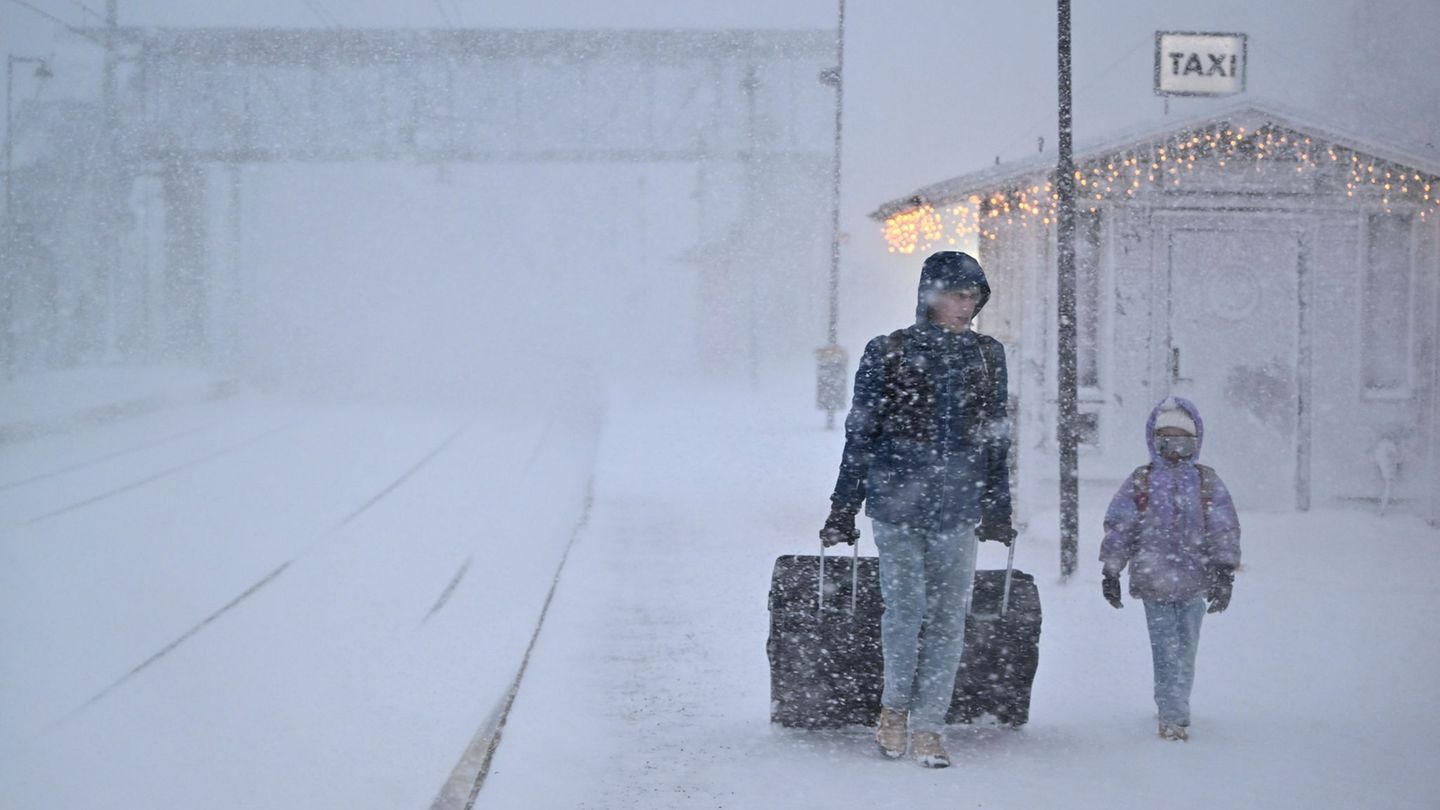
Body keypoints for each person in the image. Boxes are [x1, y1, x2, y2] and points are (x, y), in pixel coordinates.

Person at [820, 250, 1015, 768]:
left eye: (973, 297)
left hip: (959, 507)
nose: (966, 307)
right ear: (930, 296)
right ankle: (894, 711)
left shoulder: (987, 356)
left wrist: (998, 505)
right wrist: (844, 506)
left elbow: (997, 436)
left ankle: (930, 725)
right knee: (904, 612)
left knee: (949, 618)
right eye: (957, 296)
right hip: (896, 505)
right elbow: (860, 434)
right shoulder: (889, 352)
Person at [1099, 397, 1241, 741]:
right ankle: (1173, 716)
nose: (1175, 447)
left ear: (1195, 441)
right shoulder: (1142, 481)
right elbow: (1120, 527)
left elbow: (1223, 527)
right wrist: (1111, 570)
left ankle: (1174, 702)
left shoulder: (1206, 482)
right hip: (1154, 582)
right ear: (1155, 440)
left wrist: (1224, 572)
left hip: (1195, 581)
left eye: (1183, 439)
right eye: (1167, 438)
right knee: (1165, 650)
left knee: (1186, 649)